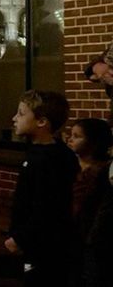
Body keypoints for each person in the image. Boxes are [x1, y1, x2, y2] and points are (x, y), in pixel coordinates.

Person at [3, 90, 78, 285]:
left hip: (45, 245)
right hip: (39, 241)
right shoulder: (40, 153)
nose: (14, 118)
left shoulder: (49, 160)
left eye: (21, 113)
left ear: (42, 122)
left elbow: (47, 206)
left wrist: (21, 238)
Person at [67, 118, 112, 285]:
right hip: (70, 231)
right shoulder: (69, 165)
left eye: (77, 136)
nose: (70, 139)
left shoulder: (101, 172)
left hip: (90, 234)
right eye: (71, 135)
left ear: (93, 143)